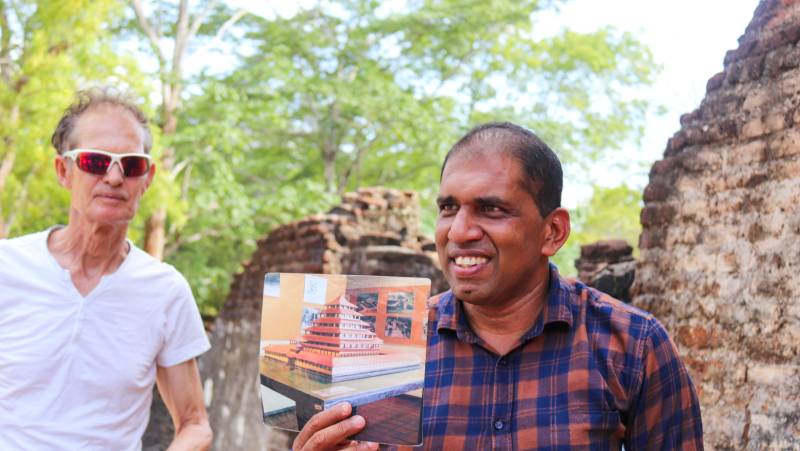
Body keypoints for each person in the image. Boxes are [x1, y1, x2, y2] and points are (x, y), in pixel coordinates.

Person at [292, 122, 703, 450]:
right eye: (448, 207)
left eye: (490, 209)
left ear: (552, 232)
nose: (460, 231)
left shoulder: (632, 345)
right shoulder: (379, 346)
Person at [0, 89, 212, 450]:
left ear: (146, 179)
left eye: (131, 165)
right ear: (63, 170)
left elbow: (195, 425)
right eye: (96, 162)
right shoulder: (8, 268)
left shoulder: (165, 291)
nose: (114, 177)